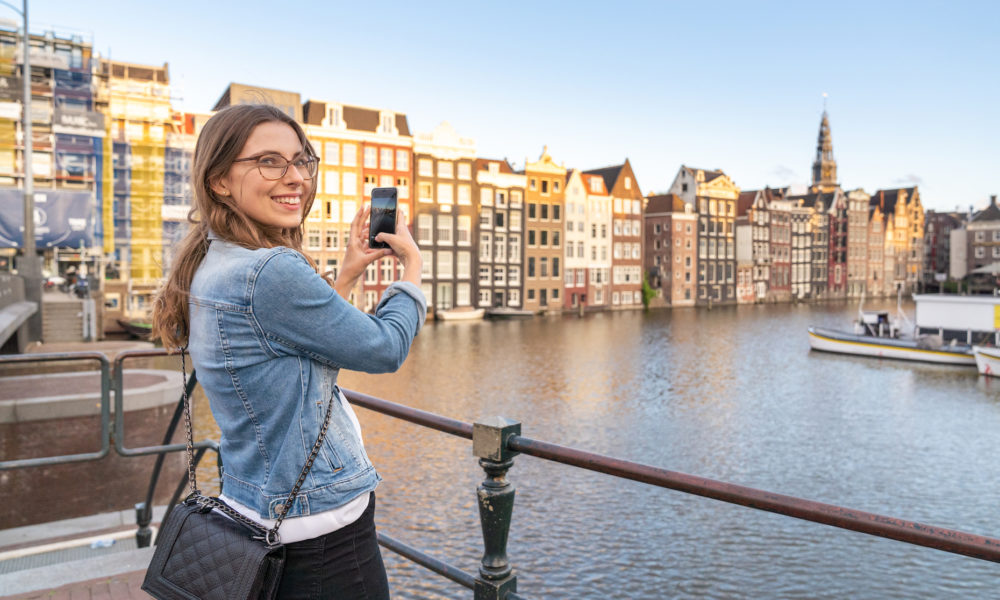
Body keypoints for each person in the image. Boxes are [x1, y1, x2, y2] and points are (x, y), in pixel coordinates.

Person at [152, 104, 425, 599]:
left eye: (301, 161)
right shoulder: (270, 270)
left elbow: (295, 349)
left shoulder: (211, 261)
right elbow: (385, 349)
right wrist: (411, 269)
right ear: (218, 181)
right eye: (269, 162)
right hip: (321, 532)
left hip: (256, 506)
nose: (295, 176)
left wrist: (346, 274)